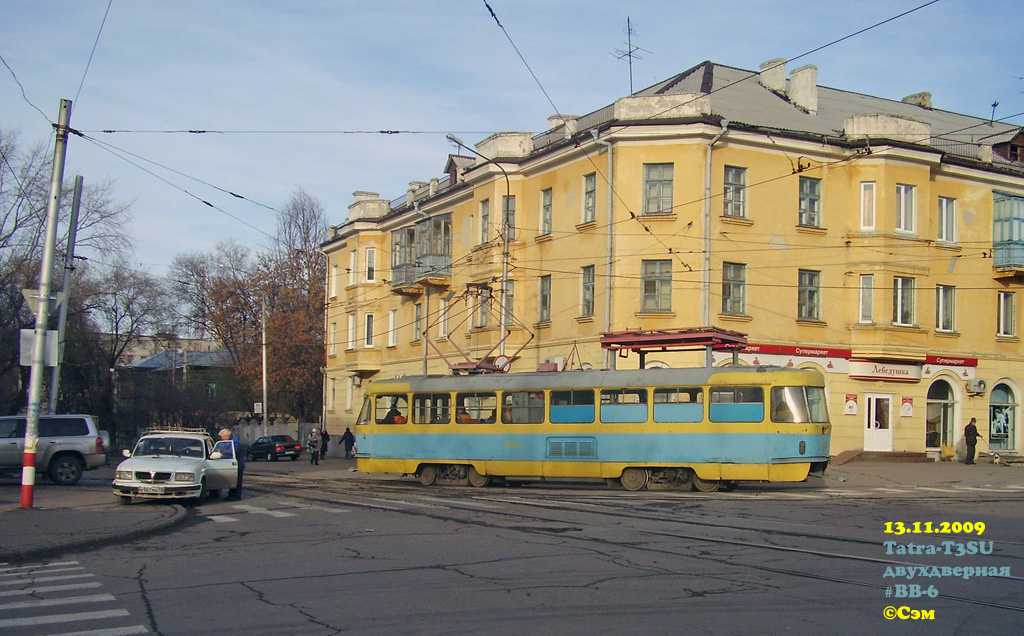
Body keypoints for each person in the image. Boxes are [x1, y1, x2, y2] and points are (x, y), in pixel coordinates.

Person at [219, 428, 244, 500]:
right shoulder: (228, 441)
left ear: (227, 436)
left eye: (222, 437)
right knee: (231, 481)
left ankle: (237, 496)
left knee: (237, 481)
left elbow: (232, 452)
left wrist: (222, 453)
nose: (222, 439)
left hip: (237, 464)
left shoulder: (235, 442)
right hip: (230, 463)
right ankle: (231, 495)